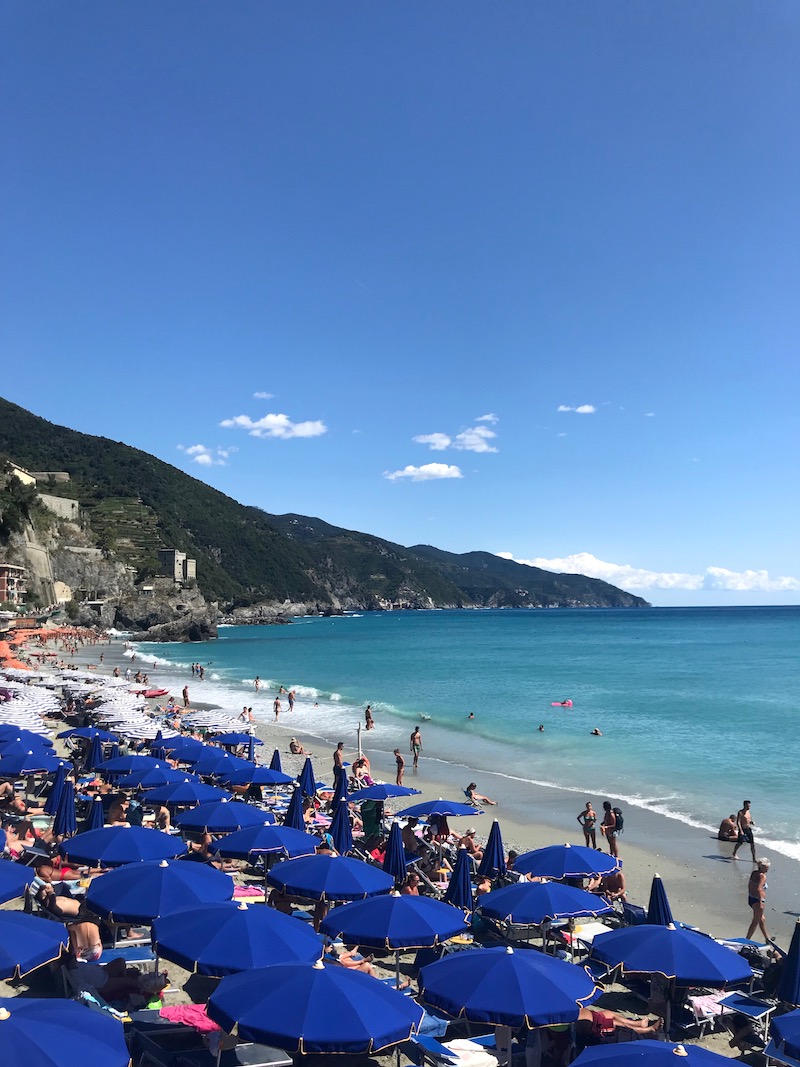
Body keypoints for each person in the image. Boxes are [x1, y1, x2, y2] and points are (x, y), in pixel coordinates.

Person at [746, 858, 770, 941]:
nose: (768, 869)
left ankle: (767, 938)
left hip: (751, 898)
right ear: (762, 867)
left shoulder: (754, 873)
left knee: (762, 919)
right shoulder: (762, 876)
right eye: (766, 867)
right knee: (755, 921)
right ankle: (747, 939)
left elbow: (750, 885)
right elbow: (759, 889)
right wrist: (761, 902)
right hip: (757, 901)